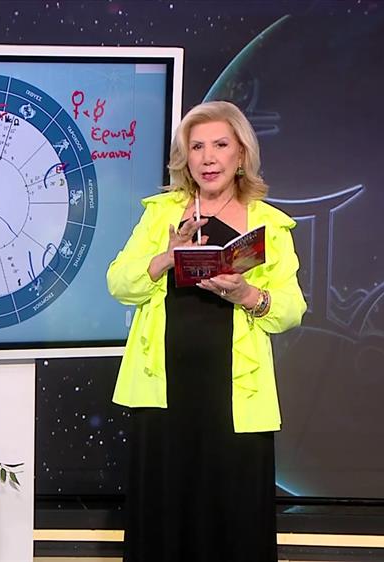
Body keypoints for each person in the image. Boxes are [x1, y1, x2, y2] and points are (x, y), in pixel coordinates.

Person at [106, 100, 307, 561]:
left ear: (241, 154)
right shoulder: (161, 215)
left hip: (235, 398)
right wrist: (166, 256)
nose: (208, 157)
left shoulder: (269, 224)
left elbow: (291, 309)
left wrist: (248, 294)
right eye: (196, 147)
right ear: (185, 158)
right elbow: (118, 283)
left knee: (233, 515)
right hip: (164, 394)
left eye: (219, 145)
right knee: (165, 512)